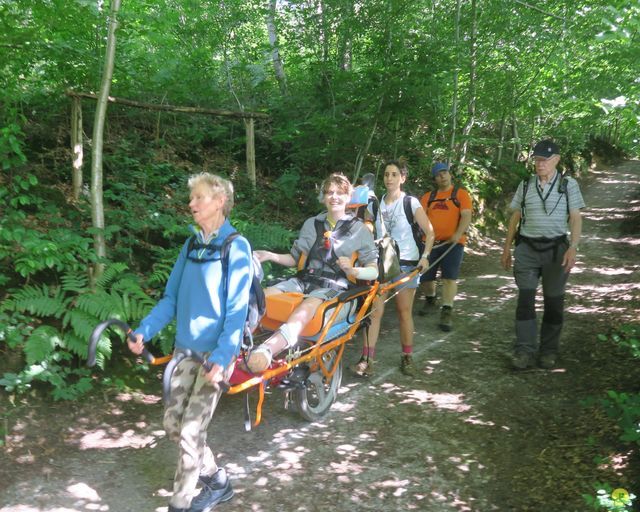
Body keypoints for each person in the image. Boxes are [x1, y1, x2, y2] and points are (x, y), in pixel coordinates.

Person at [127, 173, 252, 512]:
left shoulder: (235, 247)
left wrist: (223, 356)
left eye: (198, 197)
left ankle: (180, 504)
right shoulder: (192, 245)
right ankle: (218, 481)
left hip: (215, 358)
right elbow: (171, 298)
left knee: (190, 433)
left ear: (219, 201)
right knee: (173, 425)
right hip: (185, 353)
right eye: (191, 198)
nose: (191, 204)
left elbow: (236, 312)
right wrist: (144, 330)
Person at [245, 173, 378, 373]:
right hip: (304, 280)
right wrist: (270, 255)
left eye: (339, 193)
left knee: (308, 305)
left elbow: (374, 271)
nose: (334, 197)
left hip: (336, 287)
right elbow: (294, 258)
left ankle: (267, 350)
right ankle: (236, 343)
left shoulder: (360, 230)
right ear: (323, 197)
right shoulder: (312, 224)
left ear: (348, 197)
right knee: (259, 296)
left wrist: (354, 270)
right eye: (329, 192)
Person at [501, 139, 585, 370]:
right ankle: (524, 350)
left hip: (556, 250)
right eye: (537, 160)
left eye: (544, 160)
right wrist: (507, 247)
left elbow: (576, 217)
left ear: (556, 160)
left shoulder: (569, 185)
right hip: (527, 248)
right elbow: (515, 217)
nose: (539, 164)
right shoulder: (526, 185)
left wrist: (573, 246)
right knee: (525, 301)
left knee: (554, 302)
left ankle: (549, 351)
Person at [353, 158, 435, 377]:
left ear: (403, 178)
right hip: (382, 263)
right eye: (387, 174)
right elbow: (367, 224)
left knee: (403, 311)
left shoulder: (410, 202)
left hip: (407, 263)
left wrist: (425, 256)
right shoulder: (376, 202)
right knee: (374, 312)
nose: (389, 178)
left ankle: (407, 357)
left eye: (394, 174)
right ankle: (367, 359)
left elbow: (430, 231)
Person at [418, 162, 473, 331]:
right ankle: (430, 299)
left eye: (444, 172)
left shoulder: (461, 195)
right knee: (426, 276)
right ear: (434, 179)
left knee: (449, 277)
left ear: (450, 174)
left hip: (453, 244)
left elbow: (466, 215)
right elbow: (420, 217)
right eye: (438, 174)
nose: (442, 176)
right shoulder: (428, 197)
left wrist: (458, 233)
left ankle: (447, 309)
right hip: (430, 243)